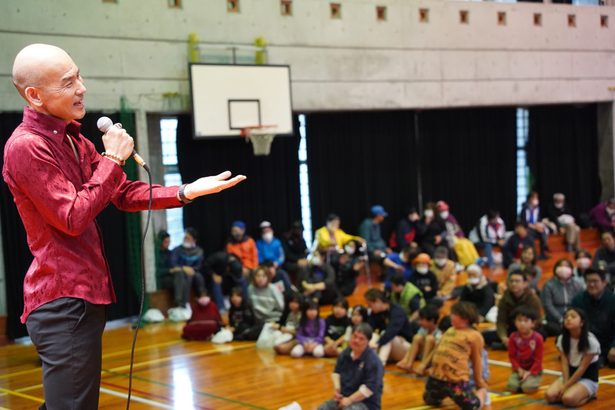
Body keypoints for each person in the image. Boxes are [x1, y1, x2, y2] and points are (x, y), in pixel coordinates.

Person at [2, 43, 246, 409]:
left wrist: (183, 191)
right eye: (68, 82)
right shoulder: (26, 146)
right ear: (34, 96)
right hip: (63, 298)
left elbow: (119, 192)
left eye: (79, 75)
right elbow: (72, 217)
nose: (82, 87)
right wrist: (113, 158)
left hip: (82, 297)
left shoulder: (71, 138)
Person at [418, 302, 488, 410]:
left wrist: (479, 382)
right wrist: (425, 365)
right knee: (430, 400)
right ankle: (447, 393)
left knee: (471, 406)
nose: (451, 316)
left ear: (465, 318)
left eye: (454, 314)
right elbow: (438, 350)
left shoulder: (474, 336)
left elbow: (477, 360)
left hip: (456, 381)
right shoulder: (450, 330)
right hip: (437, 378)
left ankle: (481, 393)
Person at [317, 323, 384, 410]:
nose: (356, 341)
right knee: (323, 408)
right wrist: (337, 390)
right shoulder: (346, 353)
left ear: (368, 342)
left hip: (366, 403)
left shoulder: (373, 361)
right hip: (344, 397)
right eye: (354, 336)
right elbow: (337, 372)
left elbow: (369, 389)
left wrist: (350, 400)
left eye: (361, 339)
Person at [545, 307, 601, 407]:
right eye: (566, 317)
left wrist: (566, 386)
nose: (569, 319)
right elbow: (565, 364)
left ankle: (591, 394)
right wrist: (566, 383)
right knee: (550, 396)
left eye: (573, 317)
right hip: (569, 376)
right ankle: (571, 390)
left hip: (587, 378)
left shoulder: (591, 341)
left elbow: (582, 368)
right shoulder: (562, 339)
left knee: (568, 399)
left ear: (582, 323)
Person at [486, 269, 543, 349]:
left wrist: (525, 331)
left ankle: (511, 345)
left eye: (517, 281)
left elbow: (538, 319)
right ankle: (513, 344)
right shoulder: (505, 298)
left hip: (528, 329)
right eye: (511, 281)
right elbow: (501, 322)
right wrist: (504, 338)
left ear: (525, 284)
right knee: (485, 335)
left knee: (542, 333)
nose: (514, 284)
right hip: (512, 329)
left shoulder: (533, 298)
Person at [571, 269, 615, 367]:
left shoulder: (612, 300)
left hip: (607, 343)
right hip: (586, 342)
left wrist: (614, 346)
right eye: (588, 281)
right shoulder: (578, 300)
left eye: (595, 281)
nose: (591, 284)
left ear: (604, 283)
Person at [364, 288, 414, 365]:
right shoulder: (375, 313)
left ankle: (380, 365)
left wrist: (378, 344)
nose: (369, 308)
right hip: (388, 349)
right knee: (373, 335)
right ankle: (366, 362)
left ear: (378, 301)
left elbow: (391, 331)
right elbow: (369, 329)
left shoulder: (397, 311)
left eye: (370, 305)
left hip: (405, 348)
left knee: (387, 335)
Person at [168, 227, 208, 315]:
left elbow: (199, 266)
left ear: (194, 240)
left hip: (193, 272)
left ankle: (203, 299)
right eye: (185, 237)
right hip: (180, 273)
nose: (185, 239)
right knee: (186, 276)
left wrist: (192, 269)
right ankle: (182, 303)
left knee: (198, 276)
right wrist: (183, 268)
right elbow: (173, 263)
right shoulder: (177, 250)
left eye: (188, 238)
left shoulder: (199, 251)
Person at [506, 306, 544, 393]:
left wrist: (529, 372)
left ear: (533, 323)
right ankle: (520, 382)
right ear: (515, 322)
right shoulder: (513, 337)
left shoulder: (538, 338)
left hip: (533, 370)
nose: (522, 323)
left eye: (526, 321)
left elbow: (538, 359)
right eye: (519, 320)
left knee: (527, 388)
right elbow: (512, 356)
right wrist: (519, 370)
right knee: (512, 387)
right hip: (519, 370)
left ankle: (533, 379)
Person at [541, 258, 584, 336]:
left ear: (571, 269)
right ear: (556, 269)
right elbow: (548, 305)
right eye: (560, 266)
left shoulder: (578, 284)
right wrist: (561, 319)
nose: (564, 268)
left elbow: (581, 302)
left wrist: (573, 319)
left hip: (574, 317)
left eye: (567, 266)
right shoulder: (548, 285)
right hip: (554, 320)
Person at [396, 304, 442, 373]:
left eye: (422, 320)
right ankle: (409, 363)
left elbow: (435, 351)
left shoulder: (439, 333)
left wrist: (423, 365)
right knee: (417, 337)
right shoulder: (423, 329)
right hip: (422, 355)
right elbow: (413, 344)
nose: (420, 322)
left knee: (430, 338)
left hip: (431, 359)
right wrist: (405, 359)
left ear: (432, 321)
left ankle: (423, 366)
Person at [519, 191, 551, 259]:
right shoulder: (525, 208)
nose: (536, 199)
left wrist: (539, 225)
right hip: (527, 227)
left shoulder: (537, 208)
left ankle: (543, 252)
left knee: (543, 231)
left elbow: (538, 220)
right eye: (534, 198)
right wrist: (535, 227)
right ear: (530, 199)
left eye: (537, 198)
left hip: (535, 226)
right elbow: (524, 222)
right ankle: (533, 254)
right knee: (530, 235)